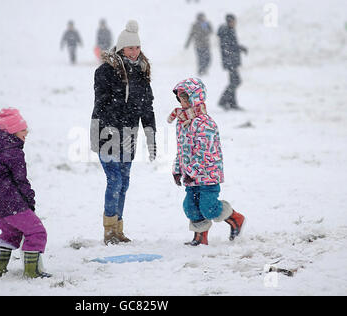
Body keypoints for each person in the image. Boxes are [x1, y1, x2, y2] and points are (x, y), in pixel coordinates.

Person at [90, 20, 157, 245]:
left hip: (129, 135)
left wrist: (150, 135)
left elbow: (147, 107)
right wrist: (98, 132)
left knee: (125, 181)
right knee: (115, 180)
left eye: (137, 47)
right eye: (130, 48)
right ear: (120, 48)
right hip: (108, 133)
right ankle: (109, 231)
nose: (134, 51)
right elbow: (100, 104)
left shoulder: (142, 72)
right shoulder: (105, 72)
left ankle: (118, 229)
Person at [168, 78, 246, 246]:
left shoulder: (205, 123)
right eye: (180, 98)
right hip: (190, 174)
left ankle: (236, 219)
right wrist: (177, 169)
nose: (183, 101)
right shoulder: (182, 121)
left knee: (208, 207)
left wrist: (192, 172)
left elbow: (205, 152)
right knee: (190, 206)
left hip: (208, 173)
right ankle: (200, 237)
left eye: (186, 97)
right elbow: (181, 149)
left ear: (196, 97)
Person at [0, 108, 51, 278]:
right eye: (22, 129)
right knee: (36, 232)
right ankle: (32, 272)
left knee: (11, 232)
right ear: (12, 130)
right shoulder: (13, 152)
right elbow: (21, 181)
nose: (26, 132)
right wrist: (30, 201)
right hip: (10, 201)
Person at [217, 14, 248, 110]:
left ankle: (232, 103)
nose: (235, 23)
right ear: (230, 21)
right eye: (234, 21)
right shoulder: (226, 31)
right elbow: (228, 46)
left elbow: (231, 45)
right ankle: (223, 101)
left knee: (233, 81)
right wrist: (239, 48)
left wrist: (239, 48)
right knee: (236, 81)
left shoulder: (229, 30)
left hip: (231, 60)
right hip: (230, 60)